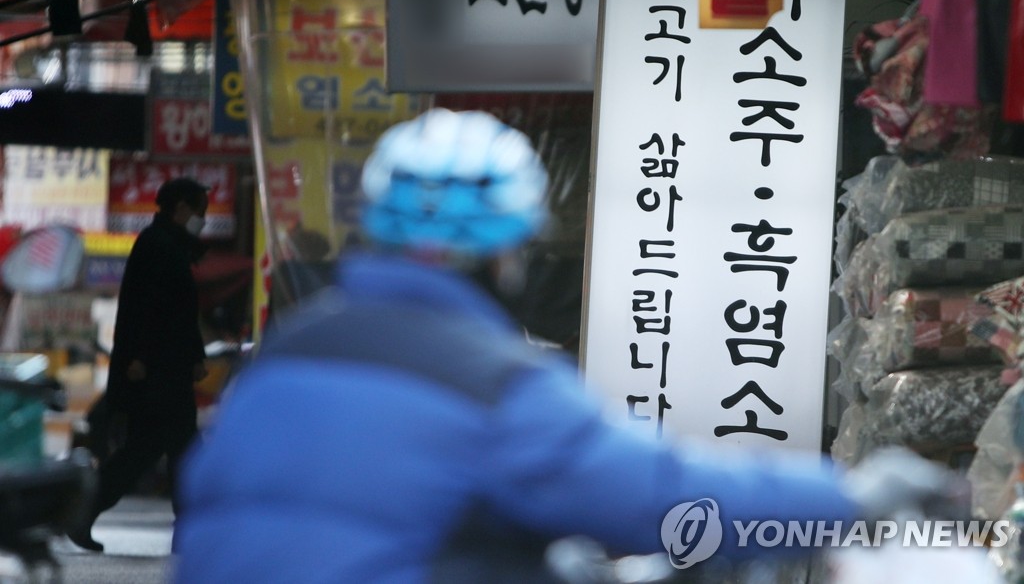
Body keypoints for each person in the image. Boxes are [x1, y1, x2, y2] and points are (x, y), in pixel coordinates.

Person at [172, 109, 963, 582]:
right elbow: (664, 500)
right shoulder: (493, 386)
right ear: (508, 253)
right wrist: (847, 500)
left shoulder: (285, 357)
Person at [69, 177, 210, 553]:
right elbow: (149, 312)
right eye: (200, 211)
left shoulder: (168, 244)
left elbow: (179, 313)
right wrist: (140, 359)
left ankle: (85, 512)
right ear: (181, 208)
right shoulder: (159, 246)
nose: (203, 220)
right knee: (165, 450)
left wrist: (193, 356)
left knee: (153, 450)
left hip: (167, 368)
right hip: (159, 371)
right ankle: (86, 512)